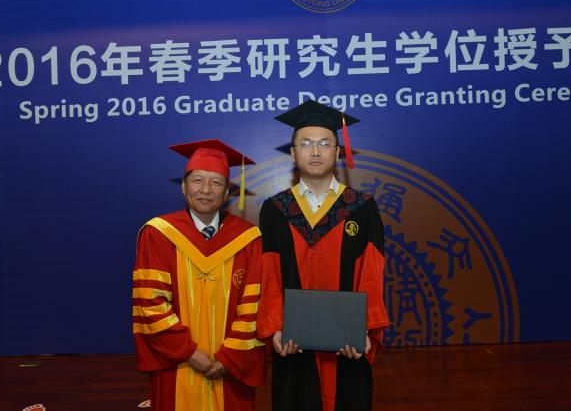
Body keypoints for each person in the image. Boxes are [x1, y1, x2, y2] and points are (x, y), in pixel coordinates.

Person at [257, 100, 390, 411]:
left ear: (337, 152)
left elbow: (371, 272)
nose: (315, 151)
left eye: (324, 143)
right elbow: (268, 272)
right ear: (293, 154)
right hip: (293, 343)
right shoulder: (276, 209)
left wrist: (364, 330)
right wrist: (276, 326)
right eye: (305, 144)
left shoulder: (361, 207)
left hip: (347, 345)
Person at [132, 139, 266, 411]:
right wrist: (189, 352)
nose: (206, 190)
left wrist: (229, 357)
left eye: (216, 182)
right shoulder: (158, 234)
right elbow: (150, 303)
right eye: (197, 180)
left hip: (230, 367)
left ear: (227, 192)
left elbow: (254, 304)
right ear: (183, 187)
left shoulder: (248, 239)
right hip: (177, 363)